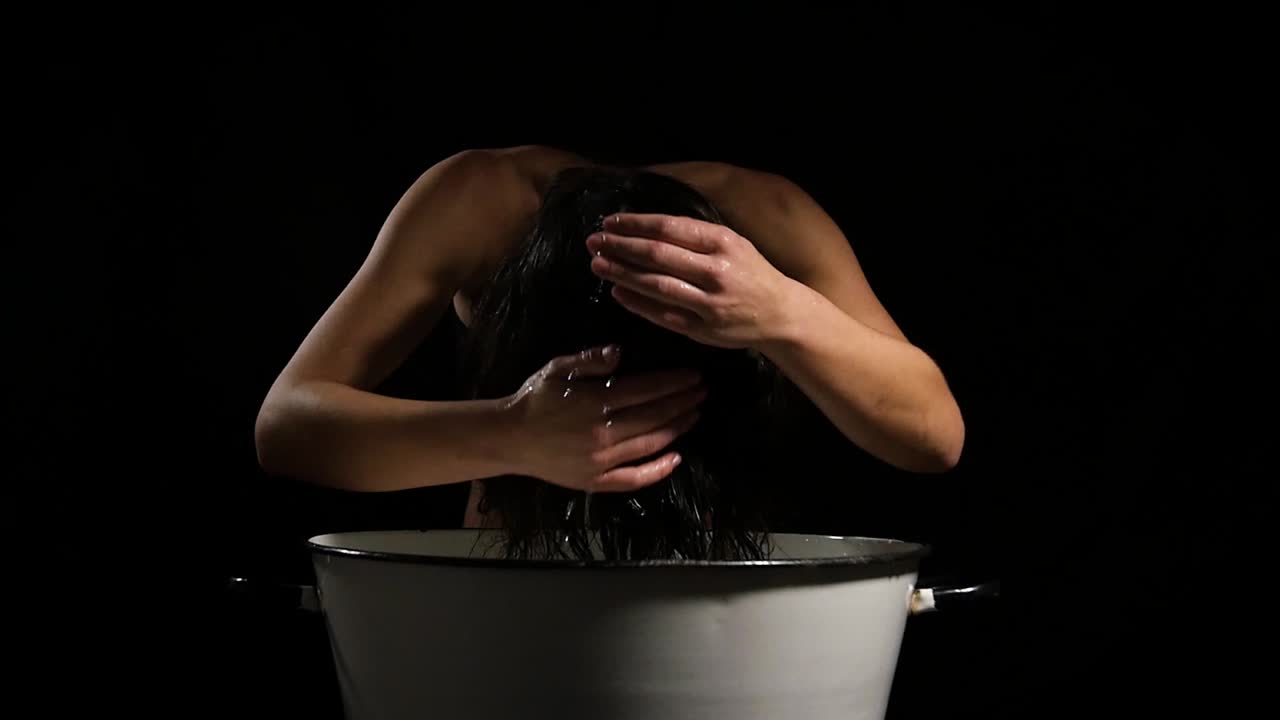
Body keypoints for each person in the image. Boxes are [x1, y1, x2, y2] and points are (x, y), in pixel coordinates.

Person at [254, 145, 965, 534]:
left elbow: (934, 436)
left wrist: (786, 313)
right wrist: (511, 432)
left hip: (709, 573)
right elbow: (288, 426)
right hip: (507, 574)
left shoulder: (766, 216)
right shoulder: (483, 202)